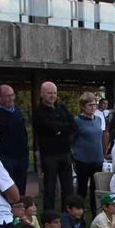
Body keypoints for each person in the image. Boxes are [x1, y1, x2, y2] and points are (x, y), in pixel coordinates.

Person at [33, 81, 76, 211]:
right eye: (49, 93)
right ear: (42, 94)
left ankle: (67, 215)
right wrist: (61, 128)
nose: (52, 96)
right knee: (50, 188)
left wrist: (59, 129)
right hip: (49, 155)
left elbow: (73, 125)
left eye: (55, 93)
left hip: (65, 153)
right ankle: (49, 217)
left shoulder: (62, 108)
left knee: (68, 188)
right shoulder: (38, 112)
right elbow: (47, 127)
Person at [72, 92, 106, 214]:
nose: (93, 107)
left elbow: (101, 137)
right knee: (81, 190)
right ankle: (78, 215)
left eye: (95, 105)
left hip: (97, 159)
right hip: (82, 160)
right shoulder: (76, 121)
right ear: (83, 106)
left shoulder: (98, 120)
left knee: (95, 189)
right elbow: (72, 140)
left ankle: (95, 214)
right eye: (90, 105)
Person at [0, 84, 29, 195]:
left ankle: (20, 209)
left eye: (12, 95)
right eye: (7, 96)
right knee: (7, 188)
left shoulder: (17, 112)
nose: (11, 98)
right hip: (5, 157)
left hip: (21, 157)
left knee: (21, 187)